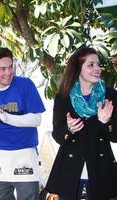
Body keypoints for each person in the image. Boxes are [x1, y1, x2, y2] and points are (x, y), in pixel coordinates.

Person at [40, 47, 117, 200]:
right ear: (78, 68)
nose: (97, 69)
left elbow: (115, 137)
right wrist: (69, 129)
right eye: (91, 65)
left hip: (101, 168)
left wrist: (105, 121)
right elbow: (58, 136)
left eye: (98, 64)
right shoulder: (63, 97)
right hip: (69, 168)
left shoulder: (110, 95)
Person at [0, 47, 45, 200]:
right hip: (0, 157)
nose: (9, 72)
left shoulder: (25, 85)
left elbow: (36, 119)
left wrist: (6, 117)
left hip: (25, 155)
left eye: (10, 67)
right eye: (2, 69)